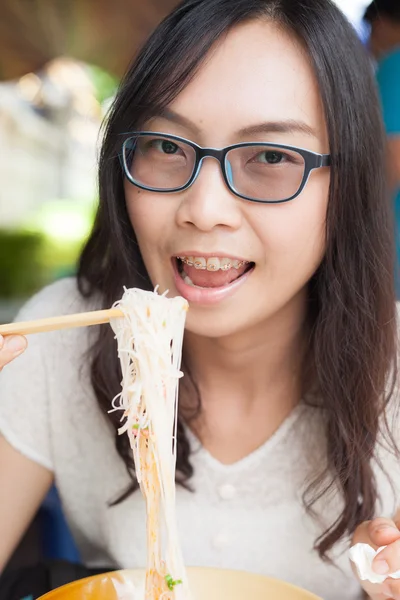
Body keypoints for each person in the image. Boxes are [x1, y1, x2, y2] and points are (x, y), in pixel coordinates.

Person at [0, 1, 399, 598]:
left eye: (271, 157)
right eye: (165, 146)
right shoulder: (56, 342)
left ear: (347, 187)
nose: (204, 210)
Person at [364, 0, 400, 292]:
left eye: (372, 28)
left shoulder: (394, 66)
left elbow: (392, 153)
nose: (370, 40)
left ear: (384, 22)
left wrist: (366, 223)